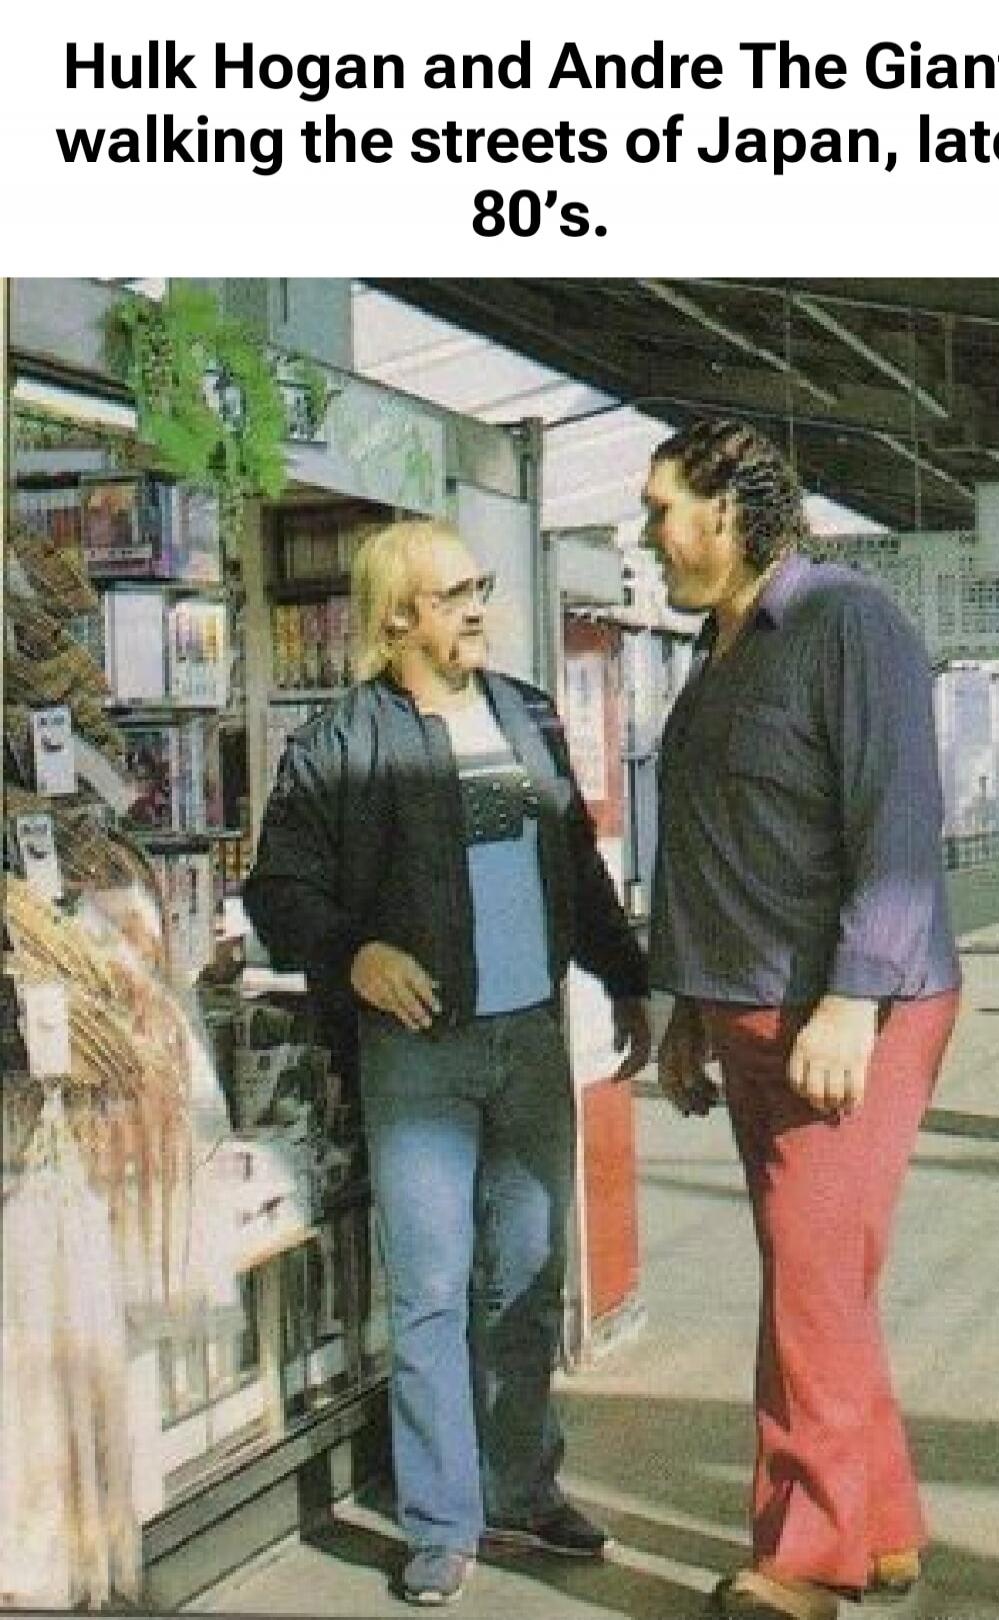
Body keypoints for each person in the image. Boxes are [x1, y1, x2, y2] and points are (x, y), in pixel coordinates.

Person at [244, 519, 650, 1607]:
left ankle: (521, 1491)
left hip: (528, 1042)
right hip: (417, 1057)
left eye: (479, 587)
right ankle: (440, 1520)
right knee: (428, 1292)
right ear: (397, 618)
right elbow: (277, 893)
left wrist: (626, 976)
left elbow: (573, 862)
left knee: (525, 1279)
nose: (479, 607)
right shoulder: (343, 742)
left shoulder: (522, 714)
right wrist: (354, 952)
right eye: (454, 593)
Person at [642, 421, 961, 1620]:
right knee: (821, 1278)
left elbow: (898, 823)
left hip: (850, 1012)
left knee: (812, 1289)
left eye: (663, 508)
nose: (650, 534)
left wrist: (850, 999)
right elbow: (711, 842)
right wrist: (683, 1004)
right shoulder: (715, 648)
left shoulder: (846, 622)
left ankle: (807, 1559)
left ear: (731, 510)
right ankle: (878, 1524)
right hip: (746, 1008)